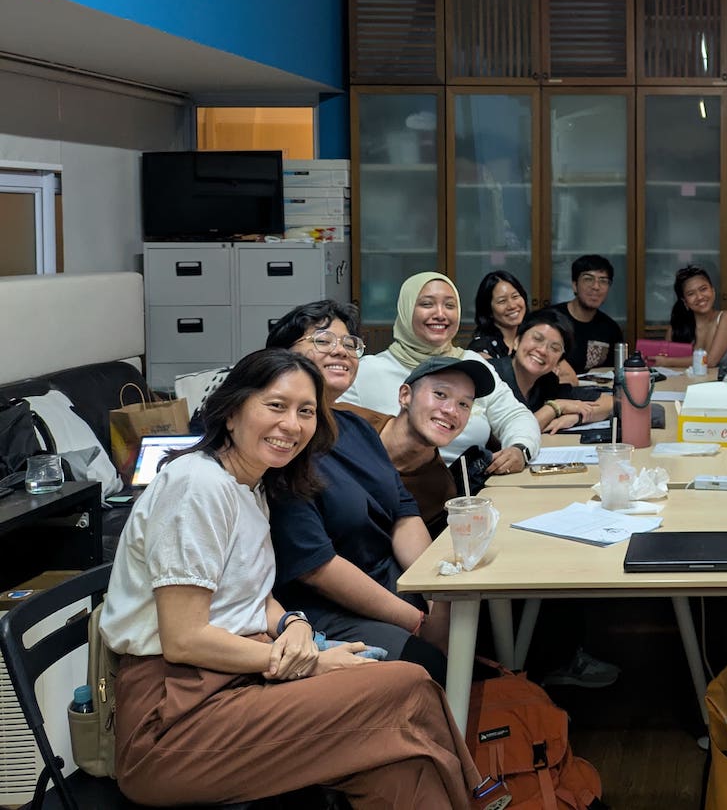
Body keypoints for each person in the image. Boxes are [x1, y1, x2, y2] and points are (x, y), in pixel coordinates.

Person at [98, 348, 482, 808]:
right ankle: (481, 795)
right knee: (408, 685)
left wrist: (293, 623)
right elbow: (184, 639)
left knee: (396, 762)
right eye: (276, 406)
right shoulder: (197, 486)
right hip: (174, 722)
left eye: (305, 412)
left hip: (237, 683)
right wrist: (309, 663)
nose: (292, 425)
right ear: (232, 412)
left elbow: (252, 594)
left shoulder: (250, 486)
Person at [263, 302, 449, 682]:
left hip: (391, 579)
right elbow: (317, 568)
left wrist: (435, 592)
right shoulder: (285, 441)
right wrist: (417, 620)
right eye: (323, 340)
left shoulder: (358, 427)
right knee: (427, 663)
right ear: (284, 356)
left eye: (350, 343)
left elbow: (403, 514)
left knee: (473, 618)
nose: (341, 351)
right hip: (325, 604)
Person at [342, 271, 540, 475]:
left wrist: (519, 449)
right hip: (392, 485)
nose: (440, 314)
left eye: (449, 305)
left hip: (470, 486)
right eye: (427, 304)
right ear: (406, 309)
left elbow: (515, 415)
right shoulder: (367, 371)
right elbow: (338, 437)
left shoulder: (472, 365)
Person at [376, 354, 495, 539]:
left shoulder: (440, 489)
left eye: (464, 404)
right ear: (405, 395)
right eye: (440, 394)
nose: (452, 411)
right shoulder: (347, 426)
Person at [494, 309, 613, 434]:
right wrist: (555, 408)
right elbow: (512, 433)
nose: (543, 351)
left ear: (558, 362)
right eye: (537, 339)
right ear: (517, 341)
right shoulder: (491, 375)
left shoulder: (547, 383)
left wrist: (577, 417)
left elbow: (610, 402)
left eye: (554, 348)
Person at [555, 254, 625, 381]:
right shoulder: (550, 320)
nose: (596, 287)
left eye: (603, 281)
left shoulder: (611, 329)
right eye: (588, 279)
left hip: (597, 391)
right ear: (575, 285)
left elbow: (614, 373)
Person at [654, 265, 727, 368]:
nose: (699, 297)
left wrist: (667, 362)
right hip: (680, 379)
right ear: (685, 301)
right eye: (691, 294)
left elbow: (711, 361)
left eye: (703, 289)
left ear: (713, 291)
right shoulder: (676, 328)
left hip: (716, 379)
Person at [468, 268, 529, 361]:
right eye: (502, 301)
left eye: (515, 296)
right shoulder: (482, 349)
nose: (512, 306)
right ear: (489, 310)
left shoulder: (531, 338)